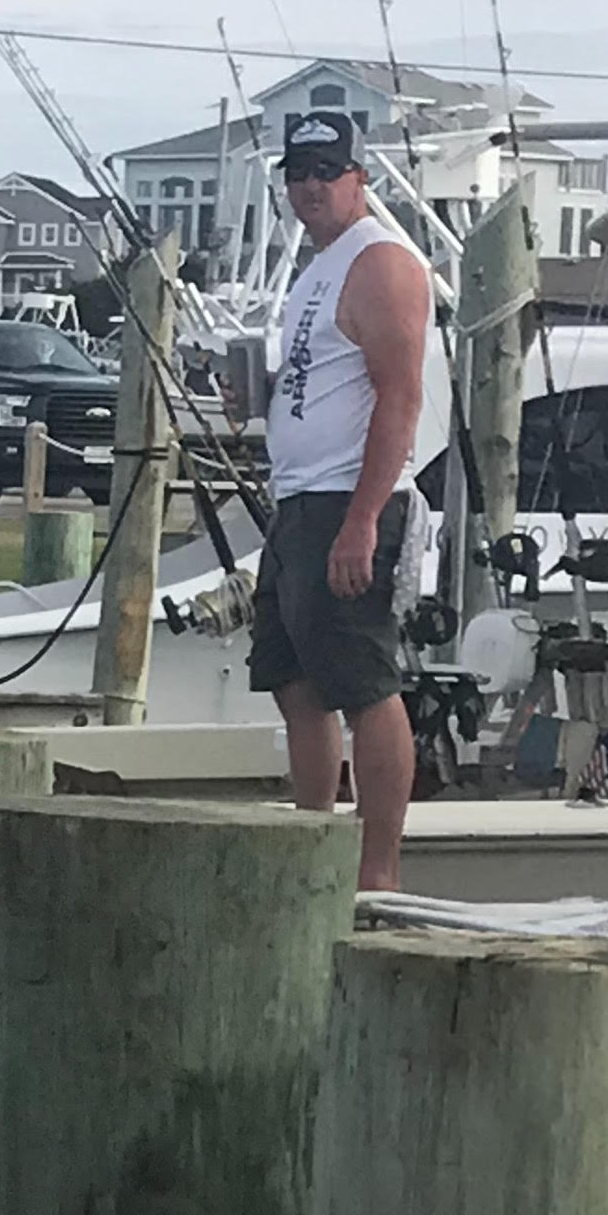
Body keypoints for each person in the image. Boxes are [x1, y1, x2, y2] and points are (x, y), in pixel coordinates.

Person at [260, 110, 439, 892]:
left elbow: (401, 399)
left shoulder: (382, 261)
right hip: (298, 499)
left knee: (365, 682)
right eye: (297, 173)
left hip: (347, 501)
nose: (309, 188)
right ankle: (311, 846)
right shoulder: (318, 268)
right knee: (294, 679)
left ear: (358, 178)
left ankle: (377, 872)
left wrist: (364, 520)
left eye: (326, 172)